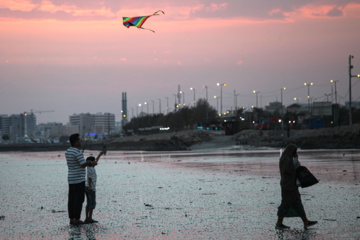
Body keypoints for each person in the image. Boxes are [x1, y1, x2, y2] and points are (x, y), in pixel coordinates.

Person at [275, 143, 318, 230]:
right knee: (285, 203)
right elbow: (287, 171)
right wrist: (295, 163)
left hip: (291, 185)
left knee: (297, 202)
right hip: (287, 186)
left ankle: (305, 221)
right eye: (295, 152)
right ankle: (279, 224)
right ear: (292, 151)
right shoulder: (286, 159)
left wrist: (295, 161)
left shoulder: (286, 158)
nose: (296, 153)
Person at [65, 133, 97, 225]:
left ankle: (71, 218)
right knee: (79, 200)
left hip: (71, 179)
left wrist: (85, 161)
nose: (80, 141)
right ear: (75, 142)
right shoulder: (77, 152)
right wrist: (90, 163)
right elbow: (82, 164)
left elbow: (78, 162)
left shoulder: (68, 151)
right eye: (79, 140)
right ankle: (76, 219)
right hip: (79, 179)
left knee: (71, 199)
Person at [84, 151, 103, 223]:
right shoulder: (90, 169)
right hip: (90, 188)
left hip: (89, 187)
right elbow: (89, 178)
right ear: (91, 162)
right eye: (94, 161)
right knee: (91, 203)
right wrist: (90, 187)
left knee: (90, 203)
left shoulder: (90, 167)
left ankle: (88, 218)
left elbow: (96, 161)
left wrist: (99, 155)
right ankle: (88, 218)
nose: (96, 162)